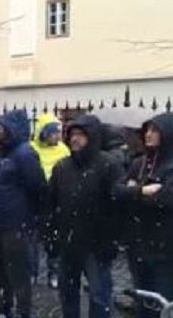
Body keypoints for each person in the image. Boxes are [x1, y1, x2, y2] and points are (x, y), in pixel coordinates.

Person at [114, 112, 173, 318]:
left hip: (167, 251)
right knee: (144, 304)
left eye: (154, 130)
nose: (149, 135)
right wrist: (141, 191)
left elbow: (168, 200)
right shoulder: (138, 163)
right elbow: (117, 192)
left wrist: (136, 191)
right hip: (139, 246)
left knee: (166, 303)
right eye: (147, 130)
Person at [47, 115, 123, 318]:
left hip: (96, 244)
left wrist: (111, 239)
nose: (74, 139)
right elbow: (51, 202)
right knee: (68, 292)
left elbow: (117, 205)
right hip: (68, 241)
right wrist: (51, 234)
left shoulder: (108, 165)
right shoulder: (62, 167)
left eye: (80, 134)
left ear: (92, 136)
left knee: (99, 295)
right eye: (72, 134)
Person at [0, 110, 46, 318]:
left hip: (15, 224)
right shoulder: (3, 154)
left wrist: (29, 218)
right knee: (0, 270)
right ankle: (4, 307)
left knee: (17, 271)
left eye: (2, 128)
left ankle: (22, 311)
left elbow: (37, 187)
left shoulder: (25, 154)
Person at [30, 113, 71, 289]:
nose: (57, 136)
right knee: (32, 241)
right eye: (54, 132)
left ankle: (53, 272)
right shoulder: (31, 149)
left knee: (54, 242)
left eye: (59, 133)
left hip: (55, 201)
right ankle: (32, 273)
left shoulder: (63, 150)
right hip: (35, 200)